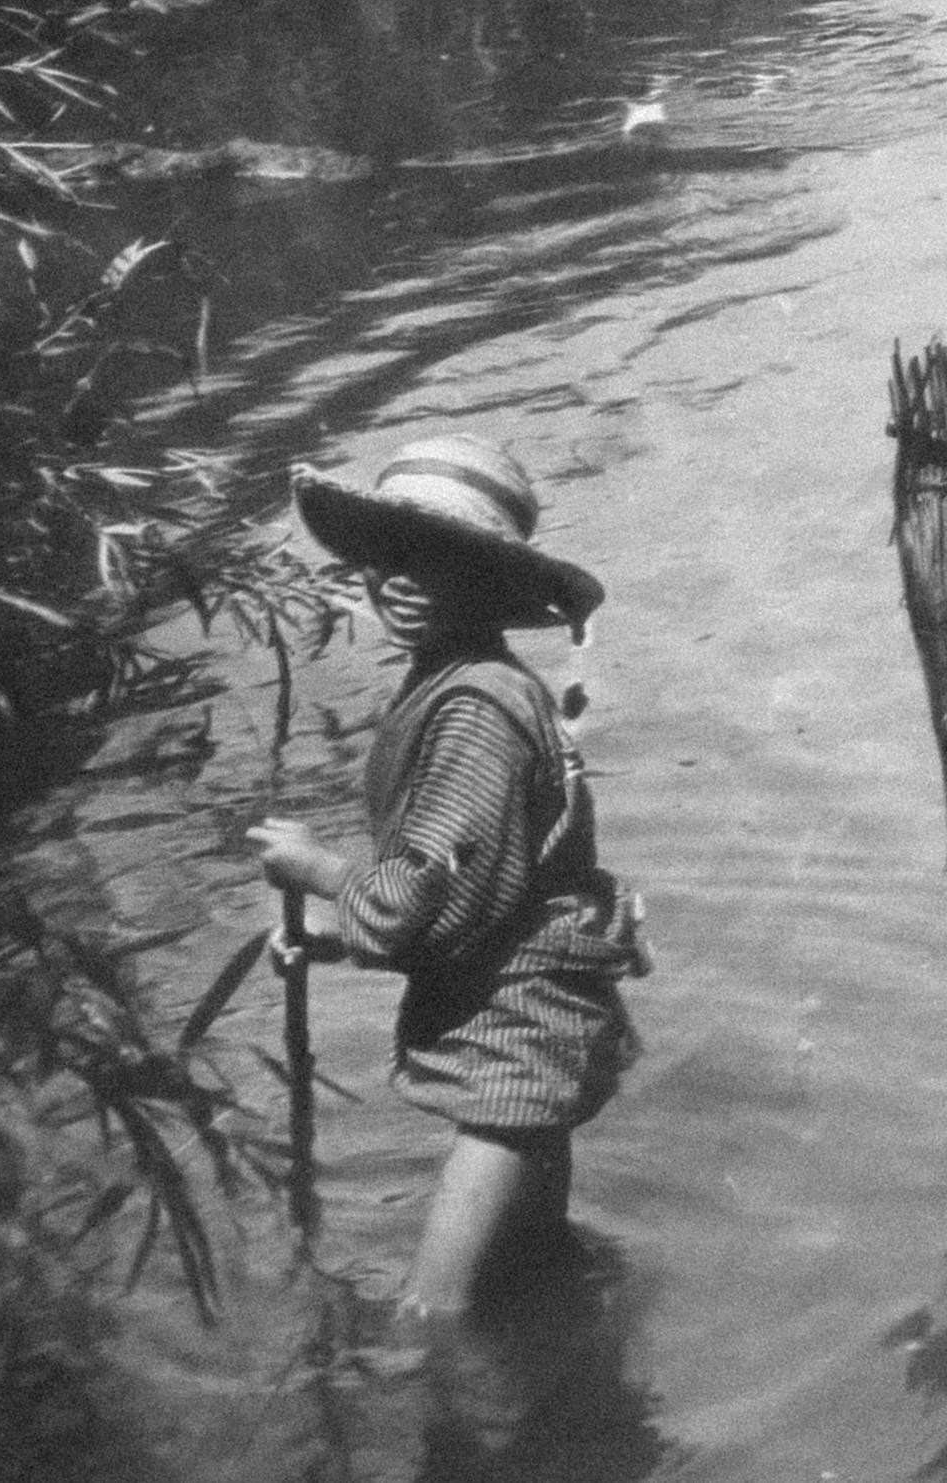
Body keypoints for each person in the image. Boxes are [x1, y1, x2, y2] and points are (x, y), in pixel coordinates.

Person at [250, 436, 645, 1324]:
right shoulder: (462, 681)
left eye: (438, 560)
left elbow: (428, 899)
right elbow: (479, 896)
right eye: (388, 556)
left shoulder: (473, 708)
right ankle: (561, 1414)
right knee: (538, 1267)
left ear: (493, 586)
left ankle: (474, 1431)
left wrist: (316, 871)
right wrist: (329, 940)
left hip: (515, 1037)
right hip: (537, 1017)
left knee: (432, 1313)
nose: (398, 580)